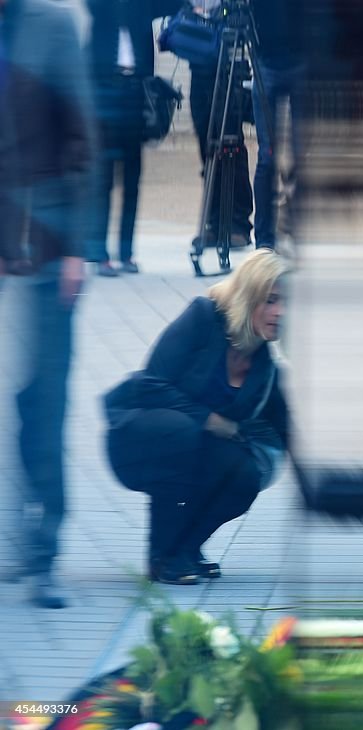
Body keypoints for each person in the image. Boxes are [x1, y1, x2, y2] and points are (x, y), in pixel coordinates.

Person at [103, 250, 290, 585]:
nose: (281, 312)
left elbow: (296, 434)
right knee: (182, 431)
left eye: (287, 302)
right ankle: (161, 555)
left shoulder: (264, 365)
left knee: (245, 473)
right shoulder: (203, 317)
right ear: (249, 297)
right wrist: (209, 419)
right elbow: (150, 384)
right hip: (141, 441)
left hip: (189, 452)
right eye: (271, 300)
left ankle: (184, 550)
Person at [0, 0, 95, 608]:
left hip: (43, 247)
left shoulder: (52, 26)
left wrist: (75, 249)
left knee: (43, 405)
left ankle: (45, 554)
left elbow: (82, 136)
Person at [85, 0, 179, 276]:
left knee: (132, 176)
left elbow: (173, 5)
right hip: (104, 89)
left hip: (136, 90)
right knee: (103, 177)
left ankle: (126, 252)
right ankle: (98, 252)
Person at [188, 0, 254, 250]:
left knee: (232, 147)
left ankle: (238, 223)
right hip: (201, 67)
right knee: (208, 149)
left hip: (230, 66)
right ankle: (213, 223)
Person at [251, 0, 304, 251]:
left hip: (299, 62)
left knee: (301, 156)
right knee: (267, 157)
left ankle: (295, 228)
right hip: (266, 63)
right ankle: (263, 240)